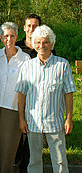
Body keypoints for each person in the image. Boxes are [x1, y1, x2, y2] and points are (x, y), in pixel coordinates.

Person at [16, 25, 76, 173]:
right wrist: (21, 119)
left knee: (60, 161)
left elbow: (68, 93)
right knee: (34, 161)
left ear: (52, 43)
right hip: (33, 122)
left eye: (45, 42)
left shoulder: (62, 65)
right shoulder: (27, 66)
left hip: (55, 122)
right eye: (38, 42)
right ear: (34, 44)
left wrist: (68, 118)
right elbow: (21, 94)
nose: (41, 46)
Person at [0, 22, 30, 173]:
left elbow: (26, 88)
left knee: (8, 148)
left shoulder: (25, 59)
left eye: (12, 36)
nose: (9, 39)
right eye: (6, 36)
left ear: (17, 36)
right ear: (0, 37)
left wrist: (22, 115)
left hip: (13, 109)